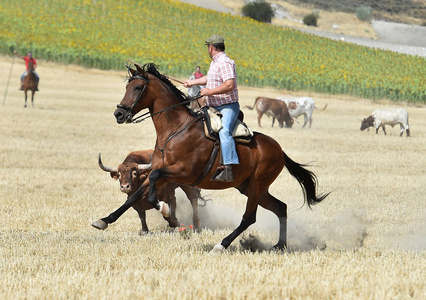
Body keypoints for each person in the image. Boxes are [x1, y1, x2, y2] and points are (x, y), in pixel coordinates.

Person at [184, 34, 239, 182]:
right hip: (213, 106)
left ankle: (228, 168)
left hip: (227, 106)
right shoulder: (215, 62)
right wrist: (192, 82)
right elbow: (210, 78)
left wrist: (209, 91)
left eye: (208, 47)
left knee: (224, 130)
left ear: (211, 47)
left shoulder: (225, 62)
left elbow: (229, 84)